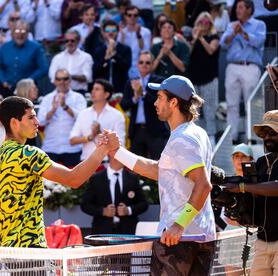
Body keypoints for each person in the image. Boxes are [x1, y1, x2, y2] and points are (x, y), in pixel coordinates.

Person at [108, 75, 216, 275]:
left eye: (159, 97)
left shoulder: (183, 138)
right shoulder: (195, 133)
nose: (155, 103)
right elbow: (160, 171)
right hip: (198, 236)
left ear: (173, 102)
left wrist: (178, 225)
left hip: (180, 239)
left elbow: (203, 185)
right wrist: (118, 152)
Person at [0, 96, 119, 247]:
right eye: (31, 117)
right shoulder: (29, 154)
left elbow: (0, 210)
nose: (37, 122)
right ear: (14, 122)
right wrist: (103, 149)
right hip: (31, 249)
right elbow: (74, 179)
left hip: (7, 249)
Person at [225, 110, 278, 275]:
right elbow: (254, 197)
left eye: (272, 132)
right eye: (264, 133)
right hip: (261, 241)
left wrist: (242, 187)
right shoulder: (262, 162)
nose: (267, 137)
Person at [220, 0, 266, 144]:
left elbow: (259, 41)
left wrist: (244, 33)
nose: (237, 10)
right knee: (231, 104)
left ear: (249, 9)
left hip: (250, 67)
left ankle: (252, 138)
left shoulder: (259, 24)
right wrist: (234, 33)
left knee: (251, 104)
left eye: (240, 7)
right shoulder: (231, 25)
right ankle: (231, 138)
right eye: (237, 7)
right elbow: (223, 44)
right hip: (233, 67)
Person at [81, 153, 148, 234]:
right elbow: (85, 205)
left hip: (128, 231)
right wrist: (103, 211)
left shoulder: (132, 178)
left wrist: (128, 210)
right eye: (122, 153)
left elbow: (144, 204)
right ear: (111, 155)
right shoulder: (96, 179)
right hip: (102, 231)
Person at [120, 51, 169, 160]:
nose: (144, 65)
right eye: (141, 62)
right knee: (136, 169)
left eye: (147, 63)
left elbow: (161, 103)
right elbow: (123, 105)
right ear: (137, 64)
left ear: (152, 65)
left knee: (160, 166)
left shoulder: (159, 82)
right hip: (137, 131)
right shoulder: (130, 82)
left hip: (155, 130)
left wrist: (142, 93)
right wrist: (135, 98)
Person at [37, 69, 87, 167]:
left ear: (70, 80)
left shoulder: (78, 98)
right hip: (50, 147)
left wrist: (65, 106)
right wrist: (52, 110)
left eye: (65, 79)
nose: (62, 82)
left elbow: (82, 119)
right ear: (54, 81)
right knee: (48, 182)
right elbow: (41, 122)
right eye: (58, 79)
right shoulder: (47, 98)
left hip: (72, 148)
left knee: (74, 181)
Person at [70, 79, 126, 161]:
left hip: (107, 163)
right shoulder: (83, 114)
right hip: (86, 162)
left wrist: (101, 134)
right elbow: (72, 140)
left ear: (106, 94)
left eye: (97, 89)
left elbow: (121, 144)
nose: (92, 92)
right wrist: (90, 137)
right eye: (93, 89)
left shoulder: (117, 115)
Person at [189, 12, 220, 147]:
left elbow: (211, 50)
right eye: (201, 22)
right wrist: (195, 38)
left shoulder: (214, 37)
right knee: (195, 112)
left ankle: (212, 140)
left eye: (207, 23)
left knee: (209, 111)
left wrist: (201, 38)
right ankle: (197, 140)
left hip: (209, 79)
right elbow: (188, 53)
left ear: (211, 24)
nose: (203, 25)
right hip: (194, 80)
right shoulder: (193, 38)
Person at [0, 21, 48, 98]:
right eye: (17, 31)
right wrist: (3, 81)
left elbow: (43, 68)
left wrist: (29, 80)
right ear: (12, 33)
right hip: (7, 89)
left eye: (23, 31)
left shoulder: (36, 47)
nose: (20, 34)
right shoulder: (5, 47)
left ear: (27, 33)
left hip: (28, 90)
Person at [92, 19, 131, 94]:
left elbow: (125, 67)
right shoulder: (98, 51)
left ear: (117, 32)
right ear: (103, 33)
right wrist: (105, 59)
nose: (110, 33)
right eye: (107, 30)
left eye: (113, 30)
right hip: (102, 89)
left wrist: (114, 54)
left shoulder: (125, 49)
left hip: (120, 88)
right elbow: (95, 71)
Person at [48, 30, 93, 94]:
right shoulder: (57, 58)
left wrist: (68, 76)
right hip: (60, 92)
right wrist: (65, 79)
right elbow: (52, 76)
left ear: (78, 41)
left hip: (79, 92)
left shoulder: (86, 57)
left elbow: (87, 77)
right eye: (67, 41)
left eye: (72, 41)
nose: (69, 43)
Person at [118, 5, 151, 78]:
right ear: (125, 17)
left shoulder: (146, 32)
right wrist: (123, 36)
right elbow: (119, 50)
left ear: (138, 17)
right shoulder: (121, 32)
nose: (132, 17)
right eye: (129, 15)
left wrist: (138, 35)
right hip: (124, 67)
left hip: (139, 68)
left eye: (135, 15)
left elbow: (145, 50)